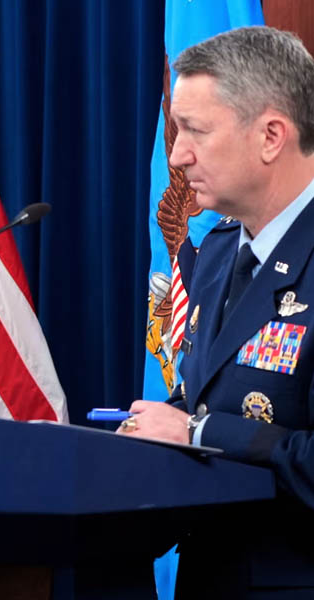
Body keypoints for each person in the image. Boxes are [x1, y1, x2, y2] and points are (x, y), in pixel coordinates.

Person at [119, 26, 314, 598]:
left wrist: (198, 430)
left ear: (271, 136)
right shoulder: (222, 248)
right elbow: (207, 391)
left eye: (195, 131)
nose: (176, 155)